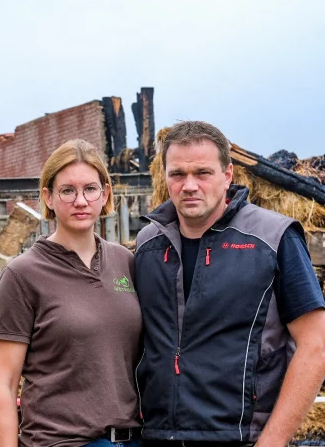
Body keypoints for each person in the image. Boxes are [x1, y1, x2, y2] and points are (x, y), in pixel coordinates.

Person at [134, 121, 325, 446]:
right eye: (177, 174)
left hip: (241, 438)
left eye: (202, 173)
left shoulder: (272, 238)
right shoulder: (148, 245)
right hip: (157, 437)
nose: (189, 185)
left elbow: (315, 345)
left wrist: (273, 442)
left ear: (228, 175)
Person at [0, 139, 142, 447]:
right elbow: (2, 385)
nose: (80, 201)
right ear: (48, 197)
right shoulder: (23, 275)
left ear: (105, 194)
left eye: (90, 189)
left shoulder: (125, 262)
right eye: (67, 190)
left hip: (132, 439)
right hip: (61, 441)